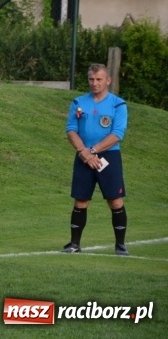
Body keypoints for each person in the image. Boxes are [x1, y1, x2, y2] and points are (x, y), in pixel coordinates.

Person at [62, 63, 129, 256]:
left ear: (108, 80)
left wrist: (92, 150)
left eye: (99, 79)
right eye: (91, 79)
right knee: (80, 200)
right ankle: (74, 244)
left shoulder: (118, 104)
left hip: (109, 156)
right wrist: (83, 151)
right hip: (83, 156)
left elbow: (117, 133)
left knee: (115, 201)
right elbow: (71, 130)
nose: (95, 83)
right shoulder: (78, 102)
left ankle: (120, 245)